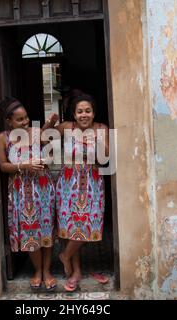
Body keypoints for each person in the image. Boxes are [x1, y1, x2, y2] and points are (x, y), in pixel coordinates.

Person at [46, 93, 110, 292]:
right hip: (68, 182)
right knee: (71, 226)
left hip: (93, 182)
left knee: (88, 224)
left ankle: (64, 255)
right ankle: (76, 272)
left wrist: (94, 138)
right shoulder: (67, 128)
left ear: (94, 112)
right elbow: (43, 139)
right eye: (80, 111)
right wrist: (50, 124)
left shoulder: (101, 128)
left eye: (88, 111)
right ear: (74, 113)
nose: (84, 115)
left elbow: (106, 158)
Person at [0, 98, 57, 291]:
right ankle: (37, 270)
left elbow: (49, 152)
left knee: (46, 230)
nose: (25, 122)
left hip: (43, 188)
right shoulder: (3, 138)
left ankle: (47, 271)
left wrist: (50, 126)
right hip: (21, 192)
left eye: (26, 117)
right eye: (20, 119)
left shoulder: (35, 132)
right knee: (30, 232)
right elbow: (3, 166)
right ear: (9, 121)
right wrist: (24, 165)